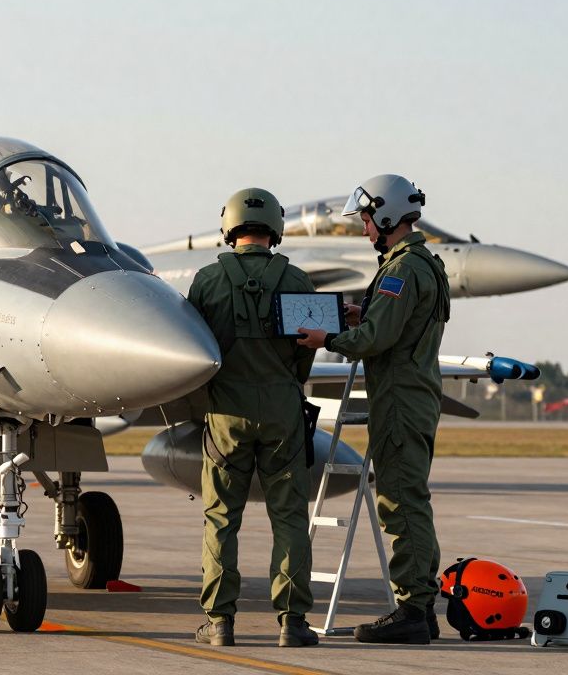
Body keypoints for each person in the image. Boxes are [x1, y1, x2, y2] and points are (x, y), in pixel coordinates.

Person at [298, 174, 451, 645]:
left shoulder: (402, 269)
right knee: (412, 501)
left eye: (366, 219)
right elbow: (398, 325)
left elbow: (376, 341)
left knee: (400, 503)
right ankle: (421, 611)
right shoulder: (425, 264)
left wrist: (329, 339)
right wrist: (361, 314)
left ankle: (411, 612)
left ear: (385, 215)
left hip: (401, 400)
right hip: (414, 395)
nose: (364, 229)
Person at [188, 188, 319, 648]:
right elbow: (306, 355)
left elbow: (195, 352)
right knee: (289, 518)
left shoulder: (206, 281)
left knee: (221, 518)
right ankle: (292, 623)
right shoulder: (299, 281)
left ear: (230, 225)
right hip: (283, 413)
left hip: (226, 414)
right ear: (274, 229)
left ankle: (220, 623)